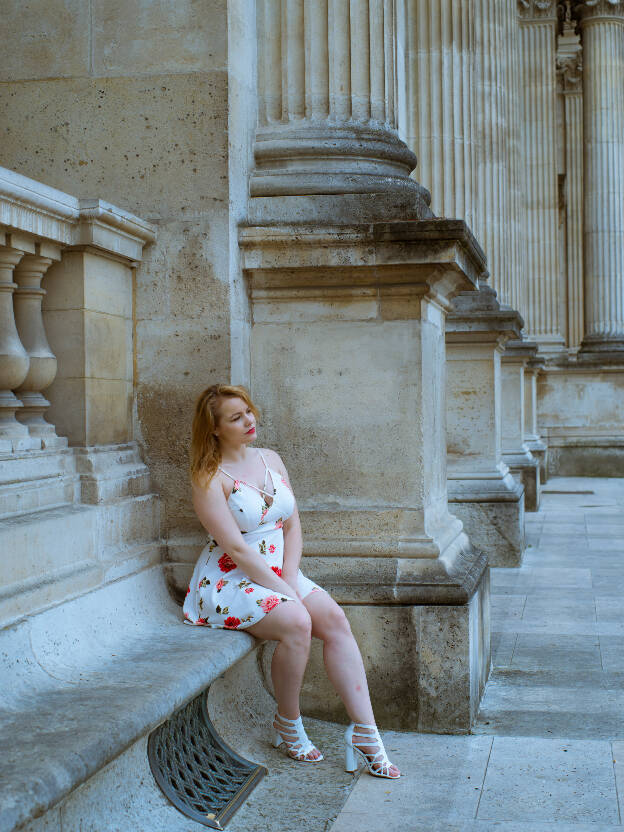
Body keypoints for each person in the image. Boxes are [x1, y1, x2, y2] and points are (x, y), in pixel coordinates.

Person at [184, 383, 400, 779]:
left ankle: (368, 733)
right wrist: (284, 591)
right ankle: (287, 723)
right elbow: (238, 549)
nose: (249, 420)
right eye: (235, 417)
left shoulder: (271, 459)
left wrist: (288, 576)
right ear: (214, 428)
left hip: (279, 572)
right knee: (299, 622)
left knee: (334, 621)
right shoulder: (208, 478)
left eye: (248, 410)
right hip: (231, 581)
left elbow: (293, 523)